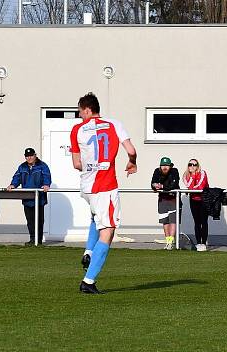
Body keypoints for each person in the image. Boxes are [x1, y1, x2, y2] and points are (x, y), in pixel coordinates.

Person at [71, 92, 137, 294]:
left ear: (87, 109)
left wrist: (91, 165)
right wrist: (132, 162)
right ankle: (88, 281)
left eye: (80, 112)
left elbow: (76, 164)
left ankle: (89, 252)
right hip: (105, 187)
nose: (80, 115)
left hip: (87, 187)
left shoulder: (76, 130)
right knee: (108, 231)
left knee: (95, 217)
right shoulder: (114, 123)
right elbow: (131, 150)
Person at [6, 147, 51, 245]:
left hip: (39, 198)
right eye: (27, 156)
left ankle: (38, 241)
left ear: (35, 155)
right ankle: (32, 239)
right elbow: (17, 177)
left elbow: (47, 176)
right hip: (27, 198)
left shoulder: (42, 166)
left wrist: (46, 184)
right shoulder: (22, 167)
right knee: (30, 220)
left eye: (31, 156)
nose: (29, 158)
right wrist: (13, 184)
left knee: (39, 220)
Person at [151, 157, 180, 250]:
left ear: (170, 166)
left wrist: (162, 186)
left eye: (167, 165)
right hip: (162, 199)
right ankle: (168, 242)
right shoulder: (157, 171)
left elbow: (174, 185)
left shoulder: (174, 171)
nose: (165, 167)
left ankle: (171, 242)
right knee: (165, 221)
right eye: (163, 165)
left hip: (173, 198)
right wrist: (155, 186)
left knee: (173, 220)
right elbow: (152, 183)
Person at [182, 158, 209, 252]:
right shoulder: (186, 175)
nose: (192, 166)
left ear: (198, 166)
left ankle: (204, 243)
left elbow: (201, 186)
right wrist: (192, 176)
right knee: (197, 222)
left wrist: (194, 177)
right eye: (190, 164)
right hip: (193, 200)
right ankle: (198, 243)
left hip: (204, 199)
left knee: (204, 221)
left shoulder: (202, 173)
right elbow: (189, 186)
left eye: (195, 164)